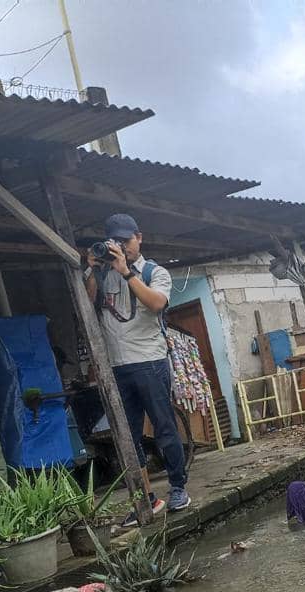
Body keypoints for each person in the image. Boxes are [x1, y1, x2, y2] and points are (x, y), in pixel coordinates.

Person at [84, 212, 190, 526]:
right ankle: (144, 498)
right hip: (116, 367)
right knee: (128, 437)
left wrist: (127, 272)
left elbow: (157, 304)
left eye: (126, 241)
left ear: (138, 238)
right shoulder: (102, 275)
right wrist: (92, 269)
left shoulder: (153, 271)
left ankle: (178, 488)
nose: (122, 247)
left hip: (150, 361)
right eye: (115, 242)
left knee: (164, 427)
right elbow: (88, 304)